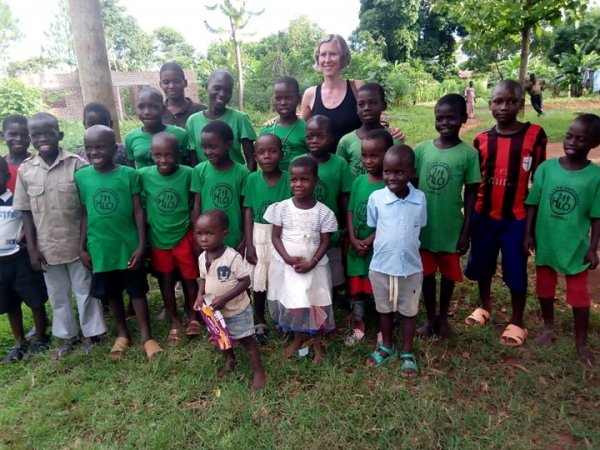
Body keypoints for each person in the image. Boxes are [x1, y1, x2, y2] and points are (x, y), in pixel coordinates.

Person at [14, 112, 106, 358]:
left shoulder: (77, 164)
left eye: (48, 133)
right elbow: (25, 213)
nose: (43, 138)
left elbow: (87, 208)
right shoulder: (27, 170)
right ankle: (67, 336)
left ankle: (92, 334)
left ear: (60, 135)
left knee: (84, 289)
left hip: (76, 244)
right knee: (58, 294)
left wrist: (84, 244)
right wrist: (32, 249)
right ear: (31, 138)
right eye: (36, 135)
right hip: (46, 248)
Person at [464, 80, 547, 346]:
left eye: (511, 101)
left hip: (517, 219)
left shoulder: (535, 135)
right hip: (484, 216)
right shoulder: (481, 140)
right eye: (498, 101)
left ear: (521, 105)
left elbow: (539, 179)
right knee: (483, 263)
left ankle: (517, 319)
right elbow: (476, 181)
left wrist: (532, 229)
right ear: (489, 105)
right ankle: (485, 305)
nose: (504, 107)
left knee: (515, 269)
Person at [76, 125, 162, 361]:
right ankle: (123, 334)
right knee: (111, 293)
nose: (94, 152)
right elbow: (85, 213)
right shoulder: (81, 177)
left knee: (136, 291)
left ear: (114, 148)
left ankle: (147, 336)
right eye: (89, 148)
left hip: (128, 245)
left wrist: (141, 245)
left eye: (101, 147)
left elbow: (138, 212)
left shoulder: (129, 174)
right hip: (100, 247)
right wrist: (81, 246)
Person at [524, 114, 600, 367]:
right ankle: (548, 327)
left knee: (579, 297)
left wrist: (593, 248)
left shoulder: (595, 177)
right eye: (569, 136)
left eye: (582, 139)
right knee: (544, 289)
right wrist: (528, 233)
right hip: (546, 242)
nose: (572, 142)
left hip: (574, 247)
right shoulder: (546, 169)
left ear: (594, 143)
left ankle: (581, 343)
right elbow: (533, 204)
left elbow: (596, 216)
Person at [414, 94, 481, 339]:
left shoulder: (468, 154)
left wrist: (466, 230)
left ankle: (443, 317)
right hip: (423, 226)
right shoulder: (421, 150)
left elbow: (472, 193)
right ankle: (430, 317)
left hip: (450, 226)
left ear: (463, 118)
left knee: (448, 275)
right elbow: (410, 185)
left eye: (451, 118)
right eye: (439, 118)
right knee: (427, 274)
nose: (445, 123)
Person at [264, 156, 338, 363]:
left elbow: (325, 241)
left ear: (315, 181)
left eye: (304, 179)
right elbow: (275, 236)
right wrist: (287, 258)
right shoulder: (282, 208)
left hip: (315, 268)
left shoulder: (323, 212)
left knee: (315, 304)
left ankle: (317, 344)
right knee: (295, 303)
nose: (298, 184)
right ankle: (297, 339)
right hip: (290, 268)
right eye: (294, 179)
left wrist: (313, 261)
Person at [367, 145, 426, 378]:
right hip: (381, 266)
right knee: (384, 309)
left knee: (408, 312)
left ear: (411, 172)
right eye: (387, 172)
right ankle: (386, 346)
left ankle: (407, 352)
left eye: (399, 172)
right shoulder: (376, 198)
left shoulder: (420, 199)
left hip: (410, 268)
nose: (392, 177)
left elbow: (419, 225)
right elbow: (374, 225)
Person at [193, 209, 266, 390]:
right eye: (199, 234)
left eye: (209, 233)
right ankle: (230, 362)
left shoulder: (232, 257)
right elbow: (203, 278)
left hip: (236, 310)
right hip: (215, 312)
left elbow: (245, 281)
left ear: (223, 234)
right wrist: (199, 296)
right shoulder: (202, 257)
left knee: (247, 341)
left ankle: (258, 372)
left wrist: (225, 297)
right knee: (222, 340)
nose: (203, 239)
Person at [139, 132, 199, 345]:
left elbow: (195, 200)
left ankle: (193, 316)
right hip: (158, 238)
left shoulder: (189, 173)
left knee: (190, 278)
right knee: (165, 279)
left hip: (183, 235)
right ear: (151, 154)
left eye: (169, 155)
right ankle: (174, 321)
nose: (163, 160)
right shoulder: (143, 175)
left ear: (179, 154)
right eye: (158, 155)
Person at [300, 34, 404, 150]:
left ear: (343, 58)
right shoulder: (310, 94)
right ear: (318, 59)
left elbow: (373, 120)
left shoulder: (357, 87)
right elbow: (300, 130)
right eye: (323, 54)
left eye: (333, 54)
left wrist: (392, 132)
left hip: (356, 163)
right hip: (322, 166)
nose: (327, 60)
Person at [344, 129, 392, 346]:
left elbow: (389, 219)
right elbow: (351, 211)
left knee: (380, 288)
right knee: (357, 287)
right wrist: (354, 239)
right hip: (357, 246)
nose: (368, 161)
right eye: (365, 156)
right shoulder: (358, 182)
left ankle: (384, 328)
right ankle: (359, 324)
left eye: (375, 155)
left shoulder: (391, 185)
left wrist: (370, 240)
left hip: (379, 247)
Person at [0, 157, 50, 363]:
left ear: (7, 176)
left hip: (20, 258)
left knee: (35, 299)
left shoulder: (17, 201)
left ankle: (40, 337)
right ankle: (19, 342)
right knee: (11, 304)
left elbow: (30, 224)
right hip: (1, 265)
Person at [243, 134, 291, 344]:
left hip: (283, 234)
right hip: (259, 235)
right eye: (261, 152)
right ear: (255, 156)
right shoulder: (252, 179)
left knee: (282, 279)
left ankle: (283, 320)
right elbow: (247, 211)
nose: (267, 156)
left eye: (272, 151)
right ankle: (259, 319)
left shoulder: (290, 178)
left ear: (281, 153)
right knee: (259, 280)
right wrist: (248, 243)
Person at [304, 115, 352, 292]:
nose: (314, 141)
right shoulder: (299, 162)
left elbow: (344, 197)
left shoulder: (339, 164)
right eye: (310, 136)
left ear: (331, 138)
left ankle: (331, 303)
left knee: (333, 276)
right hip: (305, 230)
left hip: (331, 232)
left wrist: (347, 226)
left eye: (320, 136)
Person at [191, 120, 249, 251]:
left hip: (234, 238)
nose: (207, 151)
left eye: (213, 146)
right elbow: (197, 205)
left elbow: (245, 208)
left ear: (228, 144)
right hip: (207, 240)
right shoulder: (199, 171)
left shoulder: (242, 172)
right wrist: (197, 236)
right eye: (204, 147)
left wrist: (245, 239)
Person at [186, 69, 257, 171]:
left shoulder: (240, 119)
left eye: (228, 91)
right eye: (217, 88)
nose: (222, 94)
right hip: (206, 182)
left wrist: (248, 183)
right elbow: (193, 161)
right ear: (207, 86)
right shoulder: (193, 121)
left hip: (236, 181)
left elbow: (251, 160)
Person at [337, 83, 402, 177]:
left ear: (383, 105)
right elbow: (340, 174)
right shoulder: (346, 141)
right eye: (361, 104)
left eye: (373, 102)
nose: (366, 108)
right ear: (357, 108)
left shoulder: (394, 139)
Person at [124, 86, 191, 169]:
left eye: (153, 107)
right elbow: (131, 169)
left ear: (163, 109)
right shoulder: (130, 138)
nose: (147, 112)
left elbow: (187, 165)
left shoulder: (180, 135)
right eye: (141, 107)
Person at [259, 77, 308, 171]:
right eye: (278, 98)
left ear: (299, 99)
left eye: (288, 98)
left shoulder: (307, 129)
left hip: (299, 183)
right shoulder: (266, 130)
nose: (283, 103)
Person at [75, 102, 132, 166]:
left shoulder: (122, 150)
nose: (97, 129)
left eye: (102, 124)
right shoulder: (80, 154)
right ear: (84, 125)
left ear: (111, 124)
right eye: (91, 125)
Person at [159, 62, 205, 128]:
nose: (171, 86)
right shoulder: (157, 112)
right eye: (166, 82)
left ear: (185, 83)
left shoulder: (201, 111)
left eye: (177, 81)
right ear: (161, 85)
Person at [1, 114, 31, 194]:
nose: (19, 139)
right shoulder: (1, 166)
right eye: (13, 134)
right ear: (2, 135)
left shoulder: (39, 163)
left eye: (24, 135)